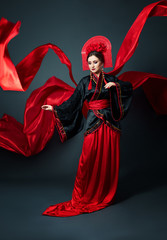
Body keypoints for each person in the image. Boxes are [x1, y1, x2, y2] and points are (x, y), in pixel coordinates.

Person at [41, 36, 133, 217]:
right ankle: (84, 196)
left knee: (108, 160)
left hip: (111, 125)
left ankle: (104, 194)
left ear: (102, 63)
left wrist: (116, 86)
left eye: (95, 62)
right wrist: (55, 108)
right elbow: (74, 102)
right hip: (93, 124)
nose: (91, 65)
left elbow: (128, 88)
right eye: (89, 62)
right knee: (87, 159)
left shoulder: (111, 79)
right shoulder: (85, 82)